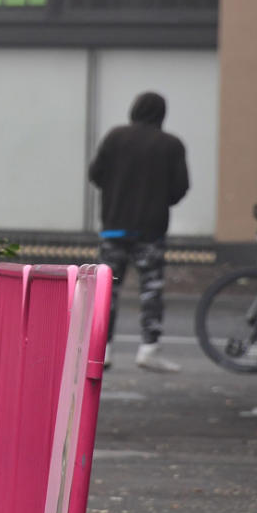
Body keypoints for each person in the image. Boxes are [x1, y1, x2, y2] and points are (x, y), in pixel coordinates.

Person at [89, 91, 189, 373]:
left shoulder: (115, 137)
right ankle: (149, 348)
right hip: (151, 230)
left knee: (108, 289)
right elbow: (180, 187)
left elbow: (96, 174)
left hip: (114, 227)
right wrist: (158, 200)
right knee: (151, 290)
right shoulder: (171, 145)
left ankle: (102, 349)